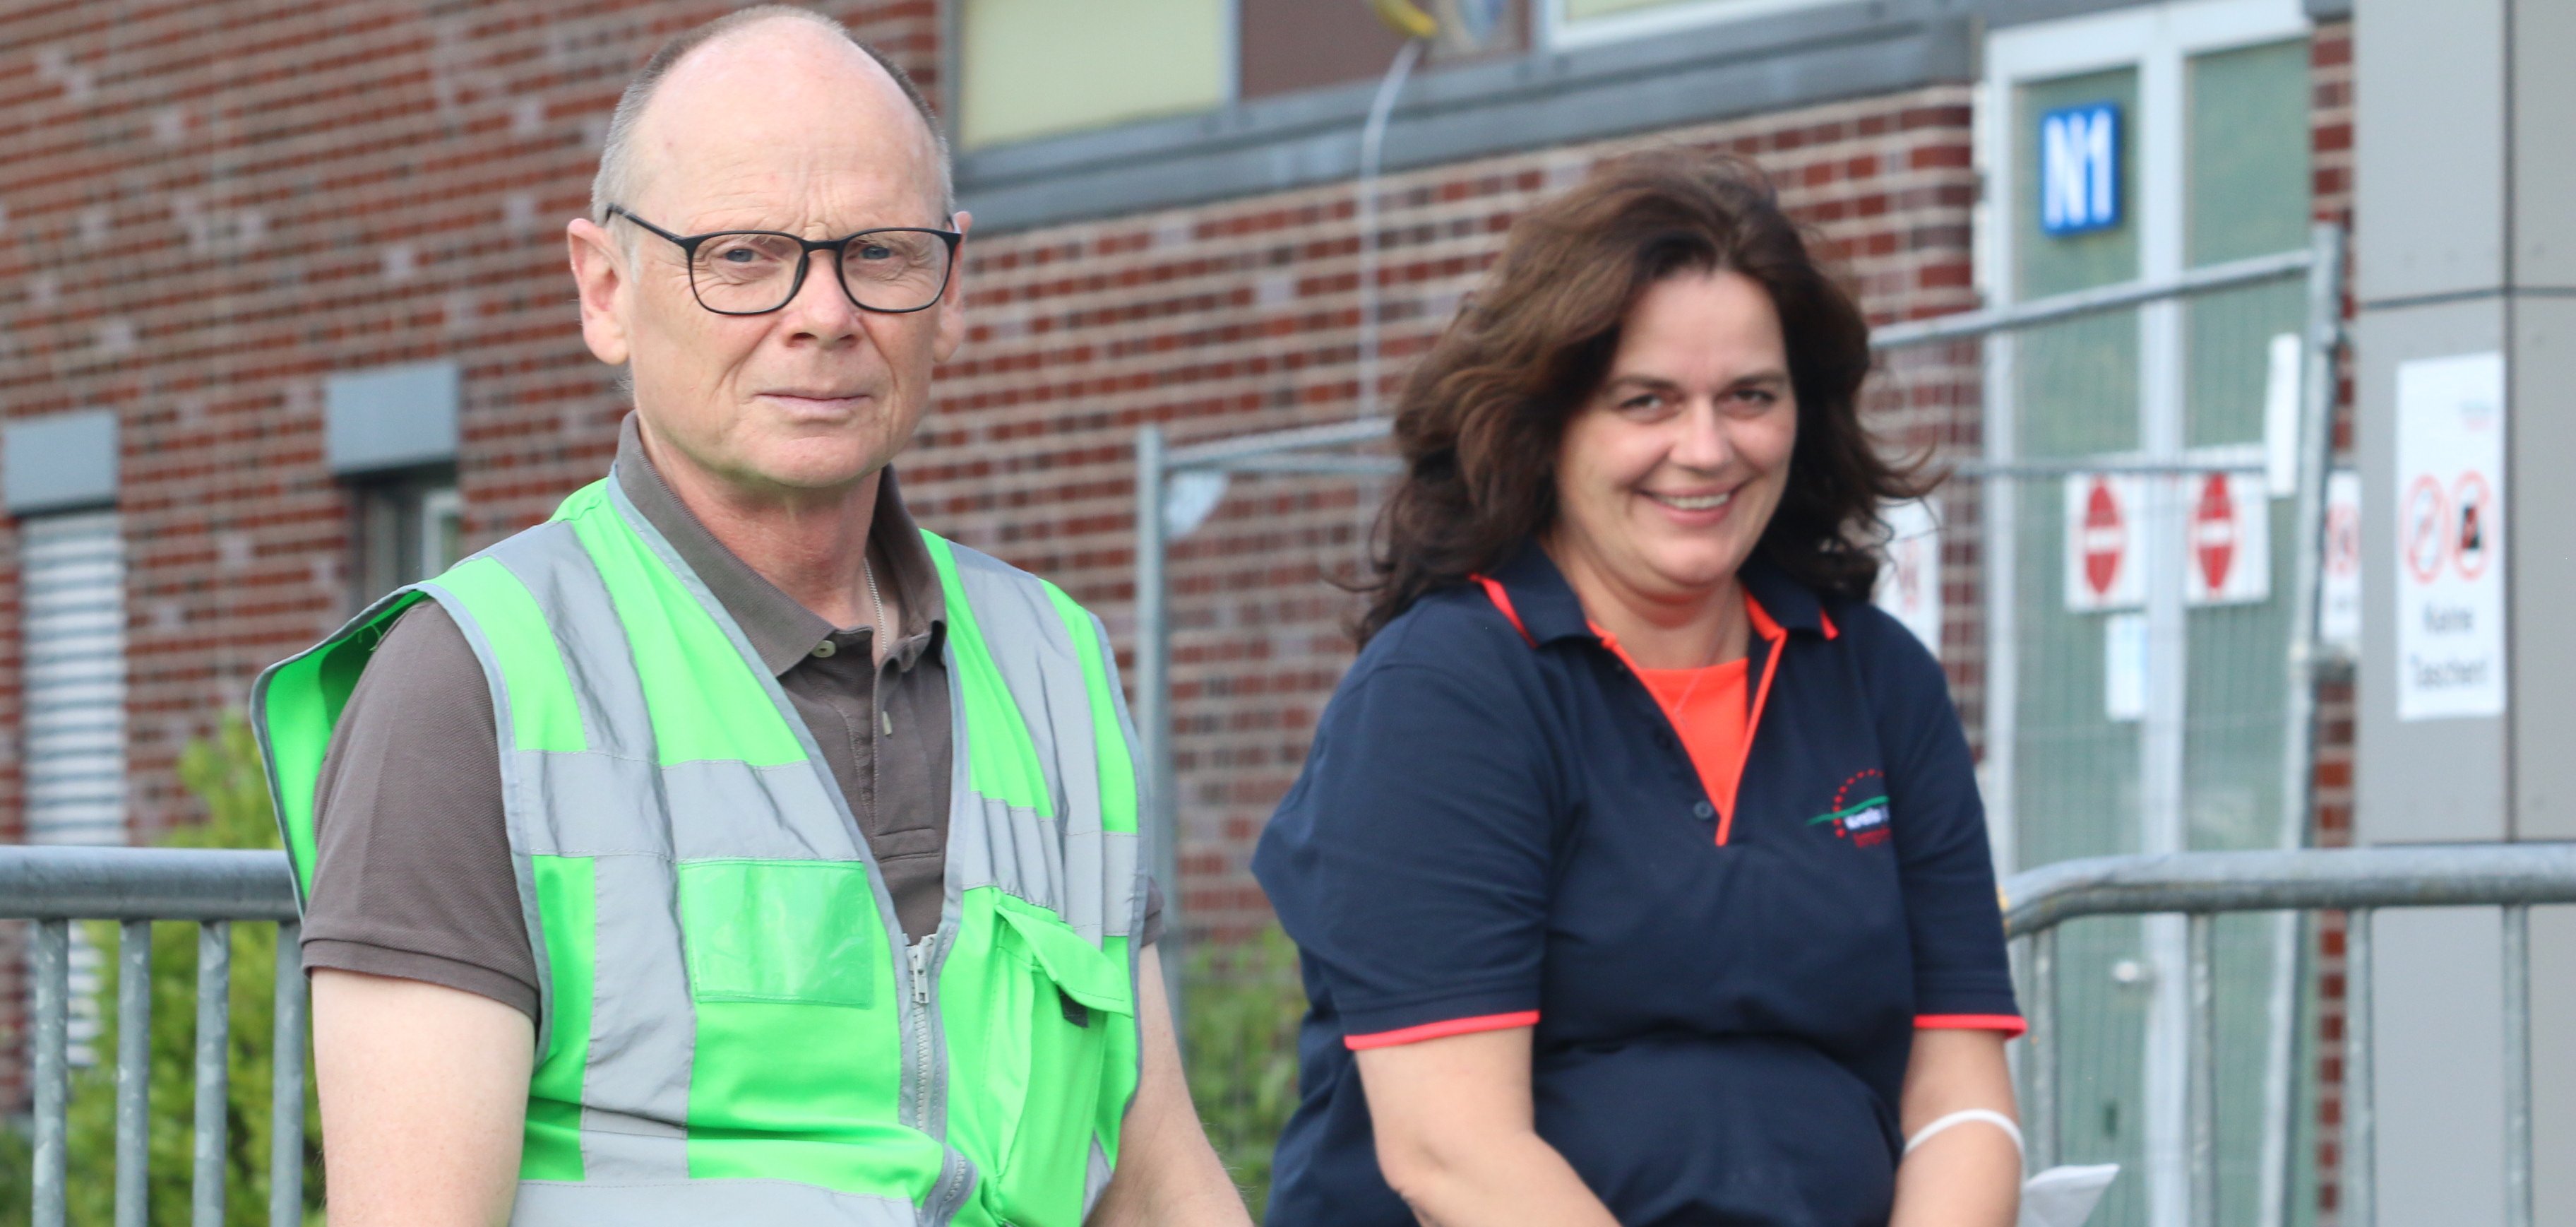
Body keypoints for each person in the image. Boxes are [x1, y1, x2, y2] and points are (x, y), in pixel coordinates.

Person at [251, 10, 1251, 1226]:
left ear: (951, 288)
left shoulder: (1052, 661)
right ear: (606, 291)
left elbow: (1152, 1177)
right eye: (742, 254)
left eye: (879, 252)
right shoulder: (470, 683)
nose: (824, 312)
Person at [1251, 153, 2026, 1227]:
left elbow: (1961, 1099)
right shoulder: (1446, 695)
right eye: (1646, 401)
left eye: (1749, 397)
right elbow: (1453, 1154)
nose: (1705, 449)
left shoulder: (1878, 678)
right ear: (1547, 422)